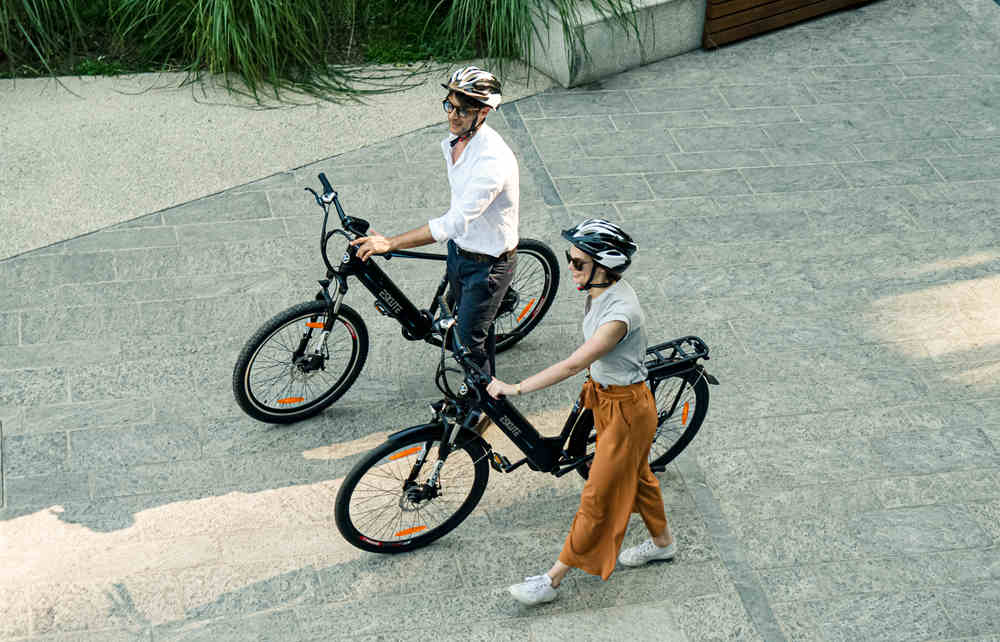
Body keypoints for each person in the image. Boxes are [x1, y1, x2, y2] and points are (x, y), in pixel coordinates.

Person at [486, 219, 675, 606]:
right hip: (606, 401)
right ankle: (663, 543)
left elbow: (573, 363)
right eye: (571, 260)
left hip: (626, 412)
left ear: (602, 266)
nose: (570, 267)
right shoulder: (600, 292)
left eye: (577, 262)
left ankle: (552, 580)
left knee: (597, 498)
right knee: (639, 477)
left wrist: (516, 387)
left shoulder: (619, 315)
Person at [351, 66, 518, 429]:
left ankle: (484, 408)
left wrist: (391, 242)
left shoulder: (493, 162)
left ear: (483, 113)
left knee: (467, 347)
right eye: (449, 105)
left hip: (487, 264)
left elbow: (453, 222)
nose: (452, 115)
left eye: (462, 110)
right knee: (471, 326)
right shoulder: (457, 143)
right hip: (462, 252)